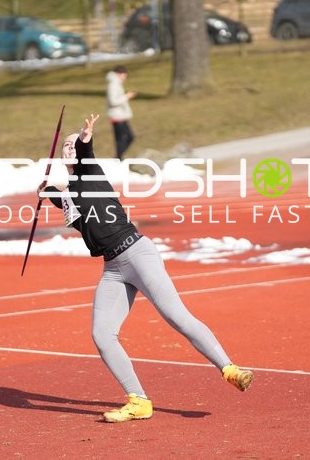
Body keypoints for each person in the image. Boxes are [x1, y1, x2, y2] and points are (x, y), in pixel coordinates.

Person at [39, 113, 254, 423]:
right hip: (113, 267)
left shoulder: (90, 172)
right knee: (102, 334)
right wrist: (49, 194)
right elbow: (73, 205)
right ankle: (138, 401)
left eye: (73, 145)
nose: (70, 149)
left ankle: (230, 369)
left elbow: (86, 157)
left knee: (175, 316)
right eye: (66, 147)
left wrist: (86, 139)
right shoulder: (73, 189)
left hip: (137, 253)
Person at [106, 65, 137, 159]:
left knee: (124, 138)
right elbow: (113, 101)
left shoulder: (116, 84)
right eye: (124, 75)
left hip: (121, 116)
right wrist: (126, 96)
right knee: (124, 138)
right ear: (119, 74)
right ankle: (118, 157)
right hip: (117, 116)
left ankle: (118, 157)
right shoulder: (113, 85)